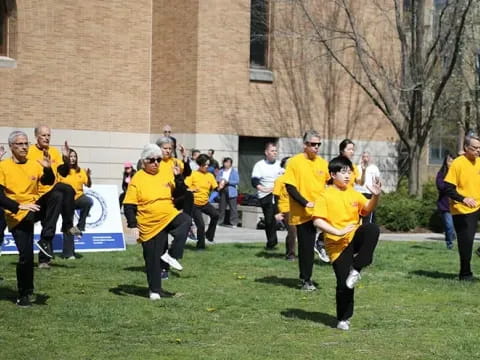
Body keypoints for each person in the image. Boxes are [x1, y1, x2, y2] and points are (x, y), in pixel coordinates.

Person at [313, 155, 381, 331]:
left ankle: (356, 269)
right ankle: (343, 318)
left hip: (354, 237)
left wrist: (375, 196)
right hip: (336, 245)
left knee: (372, 229)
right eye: (343, 172)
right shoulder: (325, 195)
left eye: (349, 172)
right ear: (333, 174)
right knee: (344, 284)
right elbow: (317, 221)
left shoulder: (352, 192)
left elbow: (366, 209)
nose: (348, 175)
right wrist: (338, 231)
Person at [123, 144, 191, 300]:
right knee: (152, 258)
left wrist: (178, 177)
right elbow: (129, 204)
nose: (156, 163)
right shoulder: (138, 177)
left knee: (185, 221)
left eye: (158, 159)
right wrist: (132, 224)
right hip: (149, 222)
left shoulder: (165, 172)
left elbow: (180, 193)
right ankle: (155, 290)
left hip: (168, 214)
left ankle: (172, 254)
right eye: (152, 160)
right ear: (144, 161)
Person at [0, 130, 55, 307]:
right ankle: (24, 294)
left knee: (62, 190)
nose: (24, 147)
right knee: (26, 256)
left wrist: (47, 169)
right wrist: (18, 206)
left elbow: (48, 182)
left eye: (26, 144)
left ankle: (46, 238)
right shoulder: (3, 167)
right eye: (20, 144)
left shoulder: (34, 164)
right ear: (11, 147)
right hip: (17, 214)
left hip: (34, 208)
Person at [28, 125, 81, 268]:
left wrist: (65, 159)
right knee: (60, 193)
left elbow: (62, 173)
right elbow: (47, 179)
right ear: (36, 137)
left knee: (67, 190)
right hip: (37, 197)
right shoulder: (29, 152)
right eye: (43, 135)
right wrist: (46, 168)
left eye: (48, 135)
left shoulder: (54, 152)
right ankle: (44, 257)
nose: (46, 138)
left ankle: (67, 226)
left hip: (53, 193)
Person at [283, 131, 329, 291]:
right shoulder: (295, 162)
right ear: (305, 145)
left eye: (318, 144)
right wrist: (305, 203)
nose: (316, 147)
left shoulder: (323, 163)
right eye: (313, 144)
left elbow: (330, 183)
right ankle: (306, 279)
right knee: (306, 247)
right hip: (303, 212)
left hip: (320, 210)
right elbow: (289, 186)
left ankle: (321, 243)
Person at [444, 134, 480, 281]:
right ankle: (465, 273)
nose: (478, 150)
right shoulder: (457, 164)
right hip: (462, 209)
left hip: (478, 203)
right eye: (475, 148)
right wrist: (463, 199)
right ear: (466, 148)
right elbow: (448, 188)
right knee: (466, 242)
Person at [57, 148, 93, 258]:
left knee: (88, 201)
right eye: (70, 156)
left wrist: (89, 175)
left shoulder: (80, 170)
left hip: (78, 198)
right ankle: (68, 253)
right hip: (65, 201)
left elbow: (88, 184)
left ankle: (80, 227)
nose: (72, 158)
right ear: (66, 158)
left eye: (74, 156)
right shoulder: (61, 170)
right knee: (68, 225)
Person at [185, 154, 224, 249]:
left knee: (216, 215)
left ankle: (209, 235)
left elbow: (216, 188)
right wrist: (191, 189)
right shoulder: (193, 174)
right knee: (201, 225)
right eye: (205, 164)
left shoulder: (210, 176)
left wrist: (220, 187)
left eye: (208, 165)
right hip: (194, 204)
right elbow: (185, 186)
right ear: (200, 164)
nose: (207, 166)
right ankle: (200, 246)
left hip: (205, 203)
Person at [251, 142, 283, 250]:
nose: (274, 153)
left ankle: (275, 242)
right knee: (269, 220)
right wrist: (261, 188)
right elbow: (254, 180)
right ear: (266, 152)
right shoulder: (259, 165)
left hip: (278, 194)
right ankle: (271, 242)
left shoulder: (280, 164)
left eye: (275, 151)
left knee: (278, 217)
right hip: (265, 195)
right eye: (272, 151)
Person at [273, 156, 297, 261]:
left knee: (293, 231)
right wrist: (277, 213)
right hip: (285, 208)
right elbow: (275, 197)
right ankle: (291, 255)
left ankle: (290, 252)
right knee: (292, 230)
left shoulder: (296, 179)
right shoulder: (280, 180)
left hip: (296, 208)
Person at [436, 152, 456, 250]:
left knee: (455, 227)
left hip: (457, 205)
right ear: (445, 162)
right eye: (449, 161)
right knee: (449, 226)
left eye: (453, 161)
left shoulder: (458, 173)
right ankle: (449, 244)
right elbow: (441, 186)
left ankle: (454, 239)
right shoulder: (441, 174)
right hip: (445, 205)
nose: (451, 163)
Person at [355, 151, 381, 224]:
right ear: (361, 158)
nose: (365, 159)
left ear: (370, 158)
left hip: (369, 193)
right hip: (359, 193)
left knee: (368, 215)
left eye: (367, 157)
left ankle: (367, 230)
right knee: (357, 215)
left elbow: (377, 180)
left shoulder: (374, 168)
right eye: (364, 157)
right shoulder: (357, 168)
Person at [216, 157, 239, 227]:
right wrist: (221, 180)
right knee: (222, 207)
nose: (227, 164)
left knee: (233, 208)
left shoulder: (234, 172)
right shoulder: (221, 171)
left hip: (231, 190)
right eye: (226, 162)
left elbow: (237, 181)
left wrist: (228, 182)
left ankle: (234, 222)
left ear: (231, 164)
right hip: (222, 190)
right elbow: (217, 178)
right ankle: (220, 221)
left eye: (228, 162)